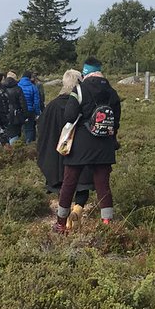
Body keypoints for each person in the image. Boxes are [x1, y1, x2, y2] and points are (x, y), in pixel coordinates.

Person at [53, 58, 121, 232]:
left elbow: (69, 116)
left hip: (80, 145)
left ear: (85, 72)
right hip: (105, 146)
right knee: (103, 186)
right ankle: (107, 224)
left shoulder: (79, 89)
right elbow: (116, 122)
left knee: (69, 183)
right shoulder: (112, 92)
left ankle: (60, 224)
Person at [37, 69, 95, 229]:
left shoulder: (52, 106)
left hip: (56, 155)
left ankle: (65, 215)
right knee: (82, 183)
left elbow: (42, 129)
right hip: (80, 153)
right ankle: (78, 209)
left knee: (63, 185)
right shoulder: (84, 104)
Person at [2, 72, 28, 145]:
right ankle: (14, 147)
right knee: (15, 132)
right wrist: (25, 114)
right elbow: (23, 103)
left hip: (6, 113)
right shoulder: (18, 88)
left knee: (8, 132)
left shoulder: (2, 89)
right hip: (16, 113)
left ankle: (7, 147)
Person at [18, 70, 42, 143]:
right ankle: (29, 144)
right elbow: (36, 102)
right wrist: (37, 113)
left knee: (20, 129)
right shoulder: (33, 87)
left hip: (20, 110)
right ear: (29, 77)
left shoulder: (18, 85)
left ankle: (18, 144)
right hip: (30, 110)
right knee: (29, 129)